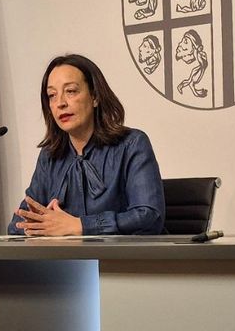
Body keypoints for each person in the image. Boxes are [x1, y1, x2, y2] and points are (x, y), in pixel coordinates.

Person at [9, 54, 165, 236]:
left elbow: (150, 217)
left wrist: (80, 226)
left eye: (71, 91)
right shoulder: (50, 155)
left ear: (95, 97)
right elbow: (16, 224)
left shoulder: (131, 144)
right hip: (68, 263)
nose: (60, 103)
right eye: (52, 95)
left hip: (124, 262)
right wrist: (41, 225)